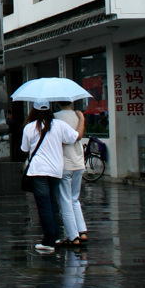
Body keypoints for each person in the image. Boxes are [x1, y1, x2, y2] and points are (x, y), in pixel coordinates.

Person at [20, 103, 83, 254]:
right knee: (52, 203)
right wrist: (82, 119)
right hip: (56, 170)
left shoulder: (29, 127)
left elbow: (24, 149)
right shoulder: (60, 125)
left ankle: (49, 241)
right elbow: (76, 137)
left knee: (44, 205)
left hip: (38, 170)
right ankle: (55, 237)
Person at [55, 103, 88, 246]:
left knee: (65, 200)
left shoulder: (55, 118)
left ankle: (72, 236)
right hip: (79, 162)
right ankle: (82, 231)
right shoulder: (78, 116)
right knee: (75, 198)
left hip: (65, 163)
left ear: (57, 103)